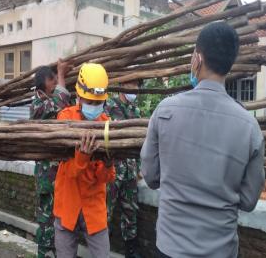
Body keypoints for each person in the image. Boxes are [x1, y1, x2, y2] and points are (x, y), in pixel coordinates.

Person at [141, 22, 265, 258]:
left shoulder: (165, 111)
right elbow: (249, 201)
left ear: (197, 59)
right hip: (220, 249)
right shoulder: (250, 128)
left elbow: (150, 175)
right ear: (229, 65)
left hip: (170, 247)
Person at [54, 63, 116, 258]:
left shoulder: (107, 126)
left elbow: (106, 178)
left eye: (98, 103)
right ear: (79, 96)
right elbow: (69, 171)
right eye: (90, 101)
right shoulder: (65, 119)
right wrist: (82, 157)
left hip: (93, 208)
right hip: (68, 204)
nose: (94, 107)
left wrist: (107, 162)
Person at [30, 60, 72, 258]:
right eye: (51, 78)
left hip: (59, 173)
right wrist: (62, 74)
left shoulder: (47, 98)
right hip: (48, 175)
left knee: (58, 220)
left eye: (56, 78)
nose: (55, 81)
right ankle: (44, 254)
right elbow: (61, 100)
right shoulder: (38, 104)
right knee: (47, 220)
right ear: (41, 83)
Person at [105, 80, 143, 258]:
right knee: (105, 211)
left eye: (136, 86)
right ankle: (101, 249)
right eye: (131, 85)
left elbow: (139, 143)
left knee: (131, 211)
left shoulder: (135, 111)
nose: (134, 89)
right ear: (122, 84)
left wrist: (140, 168)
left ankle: (131, 250)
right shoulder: (109, 106)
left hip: (130, 171)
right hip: (112, 171)